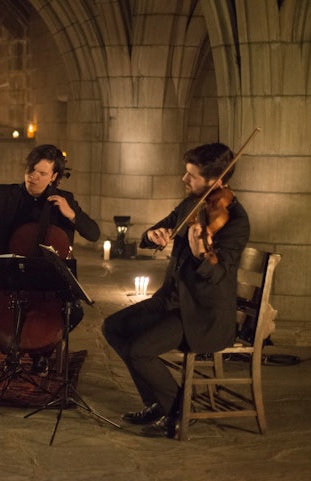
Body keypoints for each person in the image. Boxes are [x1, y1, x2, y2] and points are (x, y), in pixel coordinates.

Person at [102, 142, 250, 438]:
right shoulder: (191, 204)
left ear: (216, 181)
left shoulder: (235, 222)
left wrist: (199, 254)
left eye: (192, 176)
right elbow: (158, 230)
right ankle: (158, 403)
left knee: (139, 350)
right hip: (170, 301)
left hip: (202, 313)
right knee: (113, 327)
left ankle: (178, 410)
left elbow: (218, 274)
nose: (185, 179)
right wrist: (152, 235)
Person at [0, 144, 100, 373]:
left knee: (75, 313)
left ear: (54, 177)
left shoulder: (64, 201)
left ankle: (42, 351)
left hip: (45, 279)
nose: (34, 177)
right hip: (3, 276)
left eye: (42, 174)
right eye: (31, 170)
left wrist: (71, 214)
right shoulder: (2, 195)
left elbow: (93, 233)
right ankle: (10, 347)